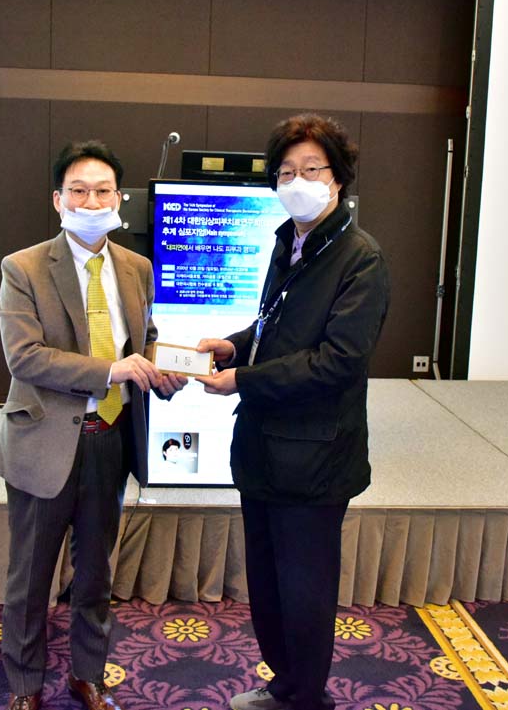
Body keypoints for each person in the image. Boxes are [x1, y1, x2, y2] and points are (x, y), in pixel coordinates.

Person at [196, 114, 391, 710]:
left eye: (311, 170)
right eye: (286, 173)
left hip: (314, 457)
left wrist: (243, 380)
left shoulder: (360, 258)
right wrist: (234, 345)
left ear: (339, 179)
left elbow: (338, 360)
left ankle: (305, 698)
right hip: (265, 447)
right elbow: (275, 327)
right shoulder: (291, 240)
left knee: (304, 591)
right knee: (269, 584)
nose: (297, 182)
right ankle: (283, 686)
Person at [0, 140, 187, 710]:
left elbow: (143, 339)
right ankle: (25, 687)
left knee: (96, 575)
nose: (91, 201)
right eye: (78, 191)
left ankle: (87, 675)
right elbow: (25, 357)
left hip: (111, 439)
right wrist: (111, 370)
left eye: (103, 191)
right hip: (45, 441)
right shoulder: (23, 267)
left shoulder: (137, 267)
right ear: (58, 200)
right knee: (30, 579)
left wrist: (162, 370)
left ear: (119, 198)